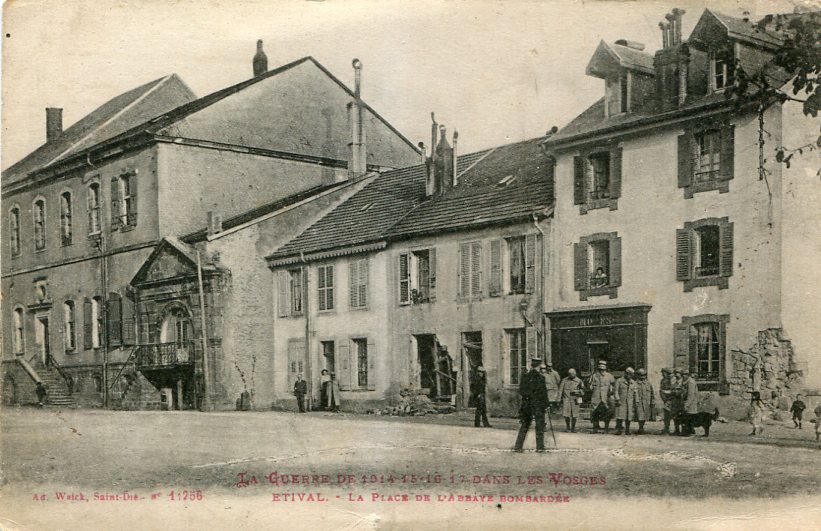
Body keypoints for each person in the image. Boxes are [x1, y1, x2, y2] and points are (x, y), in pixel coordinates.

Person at [513, 358, 548, 452]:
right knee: (539, 426)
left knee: (524, 425)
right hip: (538, 405)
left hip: (527, 405)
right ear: (538, 366)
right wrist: (546, 405)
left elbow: (521, 391)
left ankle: (518, 447)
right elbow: (543, 393)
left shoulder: (525, 377)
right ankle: (540, 447)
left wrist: (528, 397)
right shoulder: (541, 378)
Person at [589, 360, 615, 434]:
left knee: (607, 412)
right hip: (596, 397)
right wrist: (591, 386)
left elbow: (613, 385)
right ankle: (595, 427)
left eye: (603, 369)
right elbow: (590, 386)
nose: (601, 371)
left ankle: (606, 428)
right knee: (594, 412)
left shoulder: (610, 376)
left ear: (606, 368)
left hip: (606, 397)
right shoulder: (594, 376)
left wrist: (611, 392)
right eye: (600, 369)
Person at [558, 368, 584, 432]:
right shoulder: (564, 380)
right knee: (566, 414)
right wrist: (558, 400)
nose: (571, 375)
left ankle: (573, 428)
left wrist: (577, 391)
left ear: (575, 374)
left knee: (574, 415)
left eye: (573, 374)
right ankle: (567, 427)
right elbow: (560, 390)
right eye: (570, 374)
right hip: (566, 399)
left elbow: (583, 391)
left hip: (575, 399)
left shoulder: (579, 381)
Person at [614, 367, 637, 435]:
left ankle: (627, 430)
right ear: (625, 373)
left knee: (628, 416)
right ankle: (619, 430)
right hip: (621, 401)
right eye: (629, 374)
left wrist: (636, 401)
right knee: (620, 416)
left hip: (630, 401)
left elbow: (636, 393)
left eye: (631, 374)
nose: (630, 376)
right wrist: (617, 399)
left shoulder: (633, 382)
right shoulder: (619, 381)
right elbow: (616, 391)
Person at [634, 368, 654, 435]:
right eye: (641, 375)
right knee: (640, 415)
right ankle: (640, 428)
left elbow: (652, 393)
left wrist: (652, 402)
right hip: (639, 401)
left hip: (646, 402)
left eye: (644, 375)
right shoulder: (635, 383)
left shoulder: (648, 383)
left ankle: (642, 427)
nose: (643, 377)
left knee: (645, 415)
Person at [679, 369, 699, 436]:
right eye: (683, 375)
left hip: (690, 403)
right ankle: (689, 430)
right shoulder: (684, 381)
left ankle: (688, 432)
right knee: (686, 417)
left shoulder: (691, 382)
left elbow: (691, 395)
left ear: (688, 375)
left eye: (685, 375)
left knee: (689, 417)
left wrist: (686, 405)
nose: (683, 376)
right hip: (685, 402)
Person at [659, 368, 676, 434]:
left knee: (675, 415)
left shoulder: (673, 380)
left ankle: (676, 429)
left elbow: (674, 391)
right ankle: (666, 428)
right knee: (666, 415)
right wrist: (664, 399)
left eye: (664, 373)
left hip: (673, 400)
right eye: (662, 373)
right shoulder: (663, 381)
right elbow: (661, 391)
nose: (663, 374)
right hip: (666, 401)